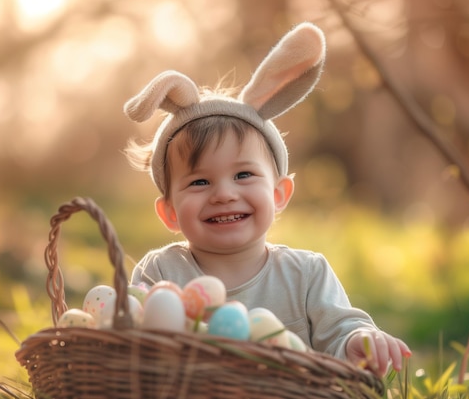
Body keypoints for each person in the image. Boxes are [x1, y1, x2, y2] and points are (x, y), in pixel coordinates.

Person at [123, 22, 411, 376]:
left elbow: (340, 331)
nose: (225, 194)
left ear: (279, 195)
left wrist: (359, 340)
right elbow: (132, 339)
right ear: (168, 212)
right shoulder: (161, 274)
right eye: (199, 181)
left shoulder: (306, 274)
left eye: (244, 175)